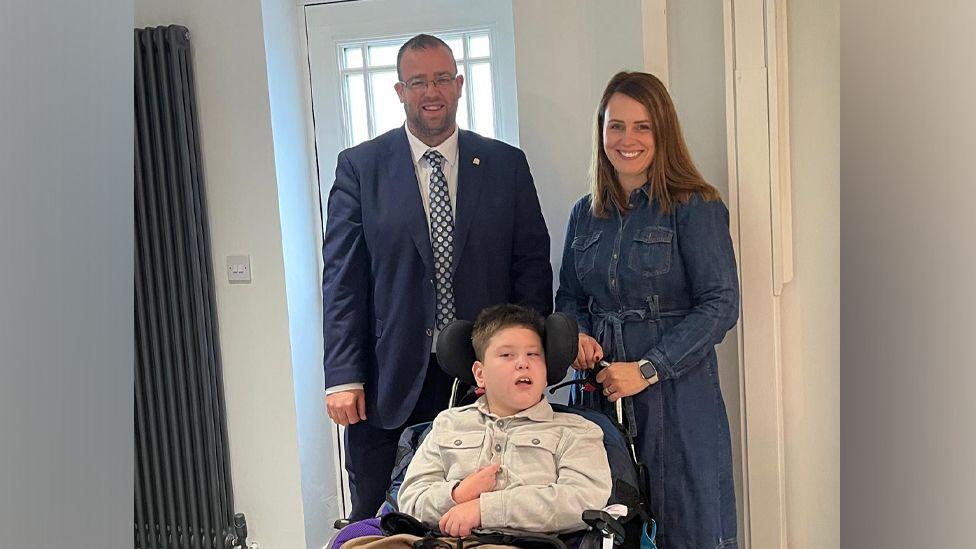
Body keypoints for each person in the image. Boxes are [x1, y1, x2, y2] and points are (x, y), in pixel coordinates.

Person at [322, 34, 553, 521]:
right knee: (380, 519)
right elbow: (342, 281)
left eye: (442, 78)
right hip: (388, 379)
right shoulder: (360, 168)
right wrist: (343, 375)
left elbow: (531, 267)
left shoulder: (505, 164)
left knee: (478, 514)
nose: (432, 91)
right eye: (418, 82)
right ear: (400, 91)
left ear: (459, 84)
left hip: (481, 375)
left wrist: (527, 359)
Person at [555, 71, 740, 549]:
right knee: (608, 526)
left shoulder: (695, 206)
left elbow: (721, 303)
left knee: (688, 526)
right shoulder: (583, 214)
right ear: (601, 131)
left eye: (642, 127)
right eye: (616, 126)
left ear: (663, 132)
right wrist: (577, 336)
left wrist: (647, 369)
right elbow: (569, 297)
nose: (627, 139)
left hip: (677, 398)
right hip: (598, 397)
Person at [397, 304, 612, 537]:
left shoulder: (577, 431)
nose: (523, 363)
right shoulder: (447, 424)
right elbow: (410, 501)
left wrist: (485, 510)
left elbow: (583, 500)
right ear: (480, 374)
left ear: (546, 371)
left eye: (533, 354)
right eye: (507, 355)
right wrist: (458, 494)